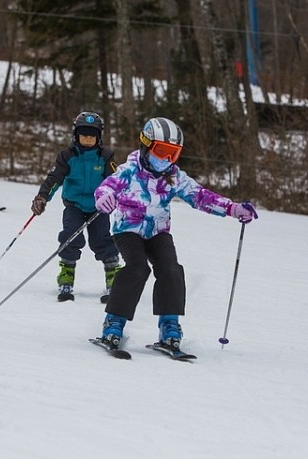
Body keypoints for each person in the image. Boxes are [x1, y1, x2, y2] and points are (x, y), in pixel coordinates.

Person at [92, 117, 258, 351]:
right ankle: (114, 322)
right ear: (146, 145)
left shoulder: (173, 175)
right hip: (128, 230)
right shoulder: (129, 171)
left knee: (171, 269)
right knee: (137, 268)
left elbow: (199, 195)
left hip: (158, 232)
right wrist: (103, 197)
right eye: (161, 151)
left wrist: (232, 208)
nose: (166, 159)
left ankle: (169, 325)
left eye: (173, 154)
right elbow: (107, 187)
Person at [31, 111, 121, 303]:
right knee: (70, 236)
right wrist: (42, 197)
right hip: (74, 206)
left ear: (99, 137)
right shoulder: (67, 156)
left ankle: (113, 275)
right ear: (76, 135)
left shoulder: (105, 157)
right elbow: (55, 178)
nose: (88, 139)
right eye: (84, 135)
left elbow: (116, 181)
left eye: (92, 136)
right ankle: (66, 274)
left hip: (99, 208)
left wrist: (117, 198)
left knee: (102, 239)